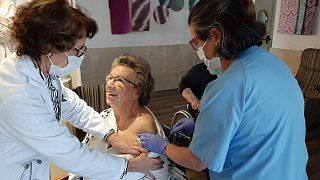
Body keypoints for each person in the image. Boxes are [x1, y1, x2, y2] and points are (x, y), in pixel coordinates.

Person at [139, 0, 308, 179]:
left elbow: (197, 161)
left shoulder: (227, 86)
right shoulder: (276, 65)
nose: (198, 50)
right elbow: (256, 125)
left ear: (216, 36)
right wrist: (204, 126)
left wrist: (163, 145)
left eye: (197, 42)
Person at [0, 1, 162, 179]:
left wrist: (110, 135)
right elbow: (70, 154)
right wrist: (127, 166)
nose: (81, 55)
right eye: (79, 49)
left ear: (137, 91)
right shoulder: (18, 94)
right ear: (50, 47)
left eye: (121, 80)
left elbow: (74, 107)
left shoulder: (44, 73)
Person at [70, 54, 186, 180]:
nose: (109, 85)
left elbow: (153, 171)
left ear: (137, 91)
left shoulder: (143, 124)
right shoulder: (105, 115)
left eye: (119, 80)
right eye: (110, 78)